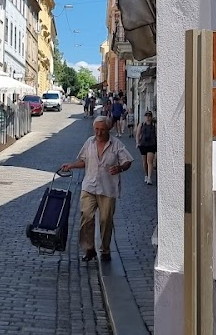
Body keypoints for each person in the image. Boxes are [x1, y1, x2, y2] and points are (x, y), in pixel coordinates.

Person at [59, 116, 132, 264]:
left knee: (106, 220)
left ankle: (105, 250)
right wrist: (71, 165)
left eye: (102, 130)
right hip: (89, 186)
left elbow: (128, 160)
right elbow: (83, 161)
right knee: (86, 216)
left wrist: (120, 168)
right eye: (96, 130)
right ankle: (89, 249)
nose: (98, 133)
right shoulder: (89, 142)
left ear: (109, 129)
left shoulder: (116, 145)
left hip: (108, 188)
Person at [137, 110, 157, 184]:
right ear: (144, 117)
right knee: (144, 162)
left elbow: (156, 134)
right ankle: (146, 175)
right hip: (143, 145)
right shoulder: (141, 124)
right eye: (146, 116)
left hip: (152, 144)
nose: (148, 117)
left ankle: (149, 178)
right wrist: (137, 142)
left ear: (151, 117)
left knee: (150, 161)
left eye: (149, 116)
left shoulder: (154, 125)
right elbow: (138, 134)